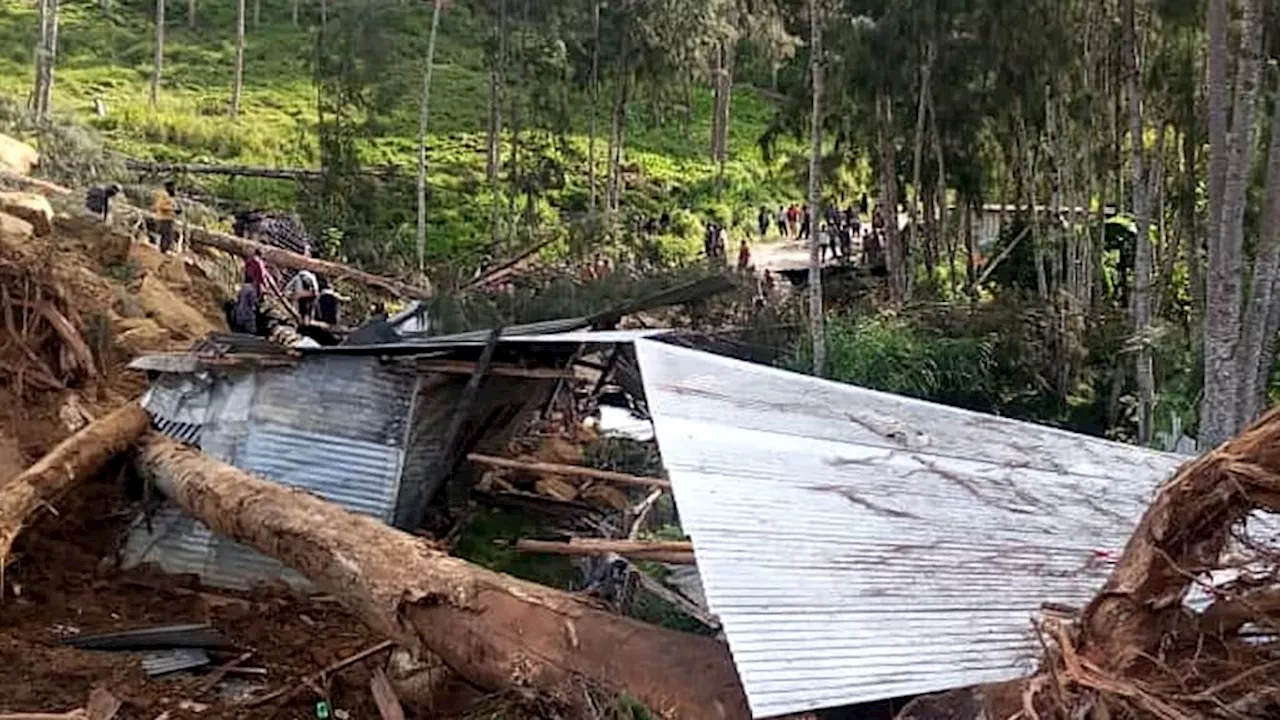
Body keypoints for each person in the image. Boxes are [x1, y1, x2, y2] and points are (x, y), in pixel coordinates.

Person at [151, 181, 181, 254]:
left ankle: (165, 251)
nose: (174, 189)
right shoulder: (163, 195)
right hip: (163, 219)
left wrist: (177, 210)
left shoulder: (171, 196)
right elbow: (160, 206)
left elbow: (173, 206)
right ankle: (162, 252)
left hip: (170, 219)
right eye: (173, 187)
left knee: (169, 237)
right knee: (165, 236)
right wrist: (172, 209)